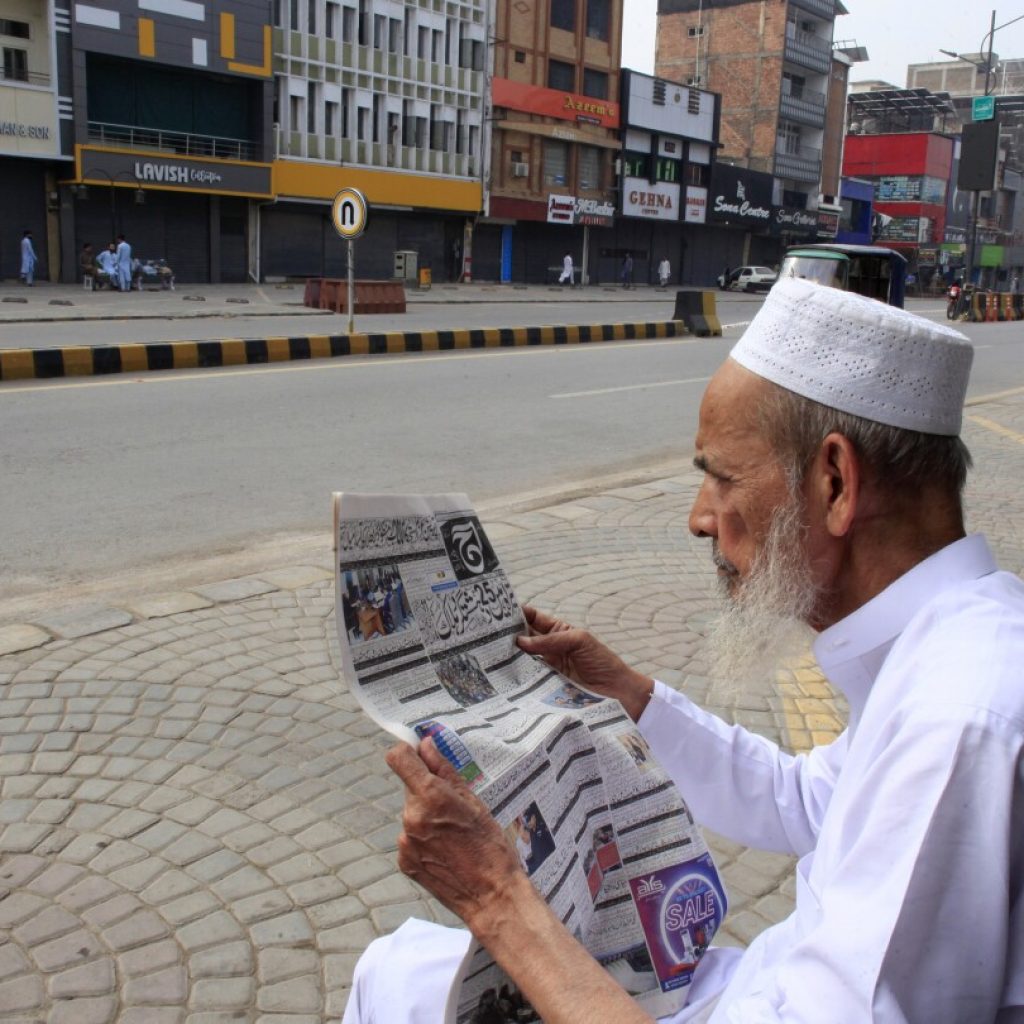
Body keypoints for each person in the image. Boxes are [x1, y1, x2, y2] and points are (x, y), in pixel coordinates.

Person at [343, 279, 1024, 1023]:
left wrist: (498, 900)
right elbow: (806, 802)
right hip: (758, 985)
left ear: (834, 481)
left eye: (722, 479)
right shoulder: (945, 647)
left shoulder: (958, 716)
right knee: (400, 975)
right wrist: (627, 693)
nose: (700, 519)